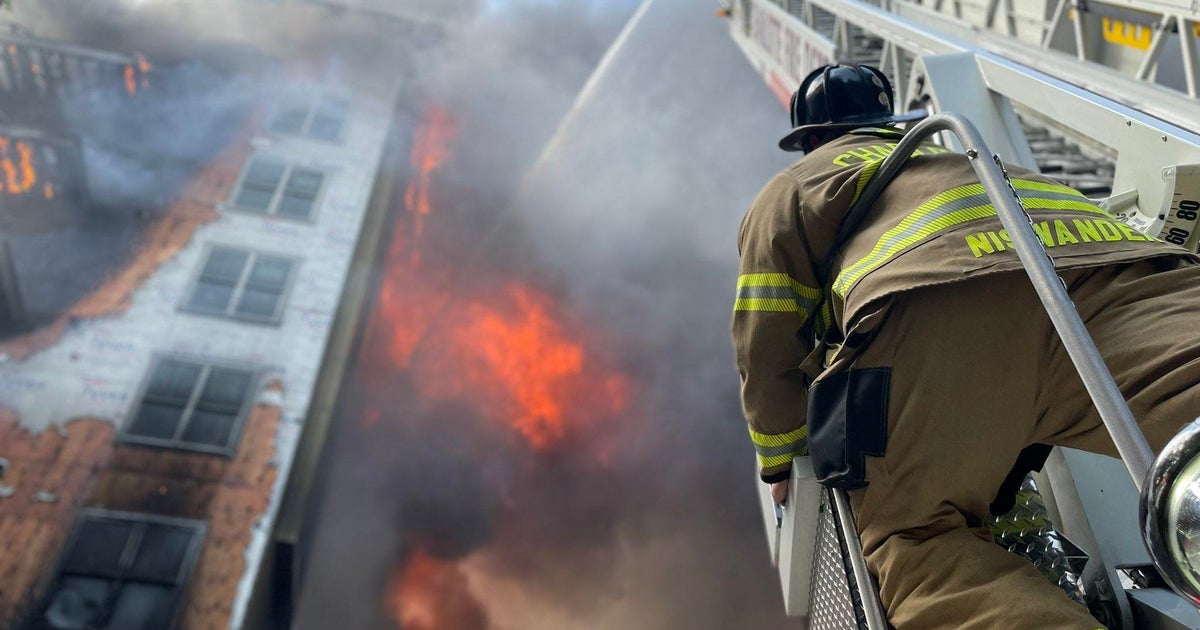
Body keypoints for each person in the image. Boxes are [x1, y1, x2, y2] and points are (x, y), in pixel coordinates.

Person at [732, 63, 1200, 629]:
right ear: (889, 123)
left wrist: (780, 459)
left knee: (918, 542)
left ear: (808, 140)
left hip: (936, 311)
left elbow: (767, 335)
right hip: (1115, 274)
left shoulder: (798, 184)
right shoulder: (964, 156)